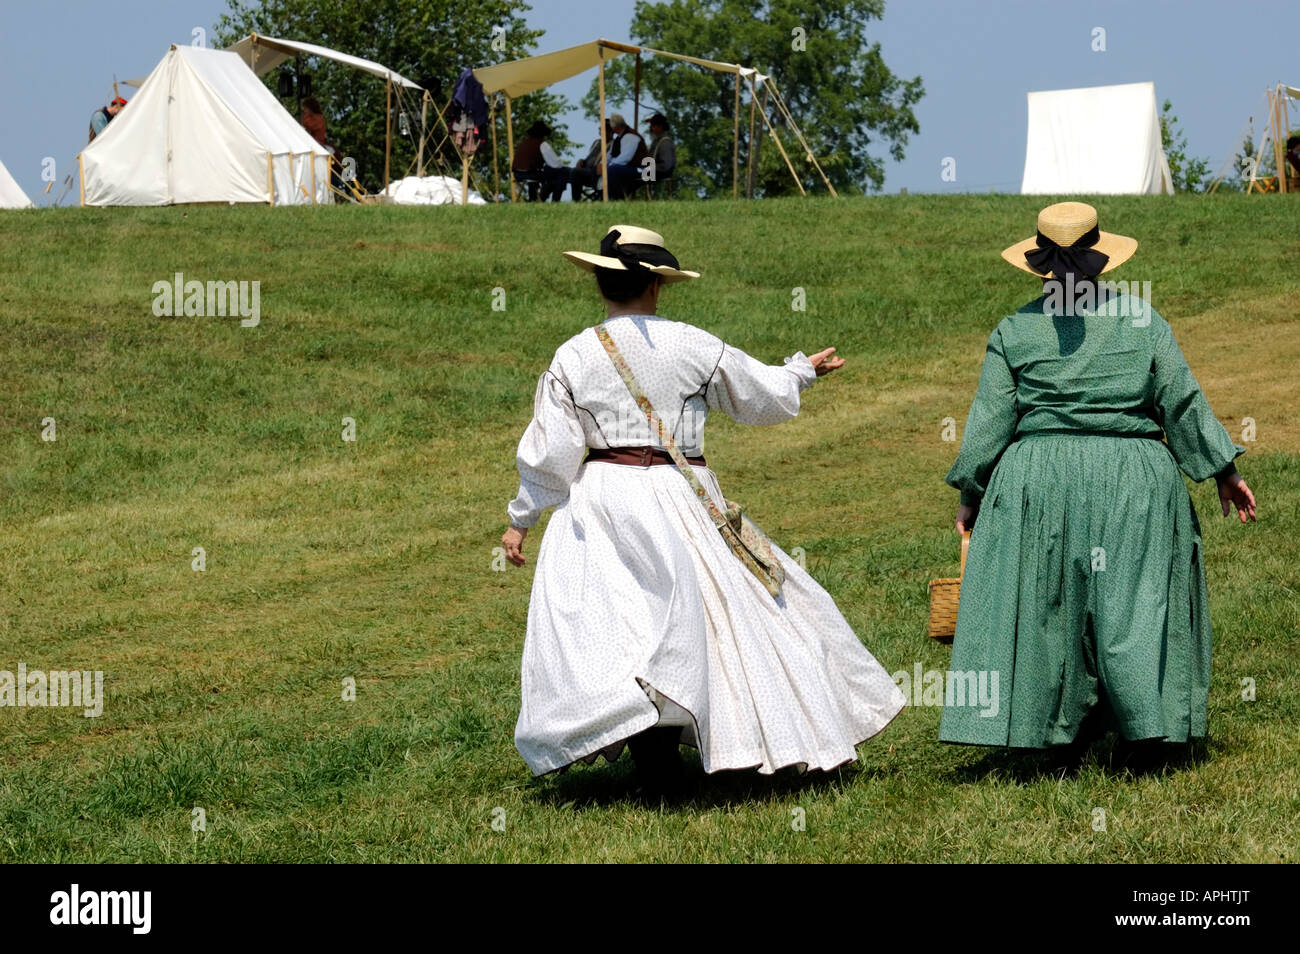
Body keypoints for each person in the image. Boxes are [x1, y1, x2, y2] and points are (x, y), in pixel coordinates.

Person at [502, 224, 906, 792]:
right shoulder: (693, 344)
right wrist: (800, 372)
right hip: (682, 494)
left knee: (617, 629)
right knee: (722, 620)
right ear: (657, 286)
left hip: (600, 502)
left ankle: (655, 756)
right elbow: (759, 396)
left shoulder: (572, 356)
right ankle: (762, 734)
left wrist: (522, 519)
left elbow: (551, 453)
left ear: (602, 284)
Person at [939, 201, 1257, 772]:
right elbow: (1179, 399)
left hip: (1038, 482)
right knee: (1132, 604)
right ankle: (1147, 735)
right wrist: (1223, 471)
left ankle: (1049, 739)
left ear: (1038, 266)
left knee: (1046, 605)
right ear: (1103, 261)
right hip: (1133, 478)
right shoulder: (1144, 322)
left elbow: (990, 419)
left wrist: (972, 492)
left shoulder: (1013, 330)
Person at [511, 120, 570, 201]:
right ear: (543, 134)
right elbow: (556, 164)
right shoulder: (542, 144)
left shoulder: (524, 143)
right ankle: (555, 201)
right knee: (563, 172)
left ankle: (536, 198)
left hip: (517, 174)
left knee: (549, 174)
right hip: (530, 174)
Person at [605, 113, 646, 199]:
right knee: (601, 170)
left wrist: (609, 165)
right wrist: (603, 164)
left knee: (612, 170)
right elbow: (609, 154)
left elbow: (625, 158)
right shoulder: (618, 139)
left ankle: (614, 200)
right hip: (629, 167)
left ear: (615, 127)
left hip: (641, 169)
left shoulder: (630, 136)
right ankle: (603, 197)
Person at [570, 121, 610, 201]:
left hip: (596, 174)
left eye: (603, 130)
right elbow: (589, 157)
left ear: (610, 132)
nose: (600, 132)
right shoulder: (596, 142)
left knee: (575, 172)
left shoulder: (612, 144)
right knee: (566, 172)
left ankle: (576, 201)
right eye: (600, 130)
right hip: (586, 170)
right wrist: (582, 161)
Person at [644, 113, 676, 194]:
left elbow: (665, 166)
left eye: (653, 126)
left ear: (660, 127)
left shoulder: (665, 142)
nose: (650, 128)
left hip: (659, 173)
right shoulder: (657, 141)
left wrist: (646, 169)